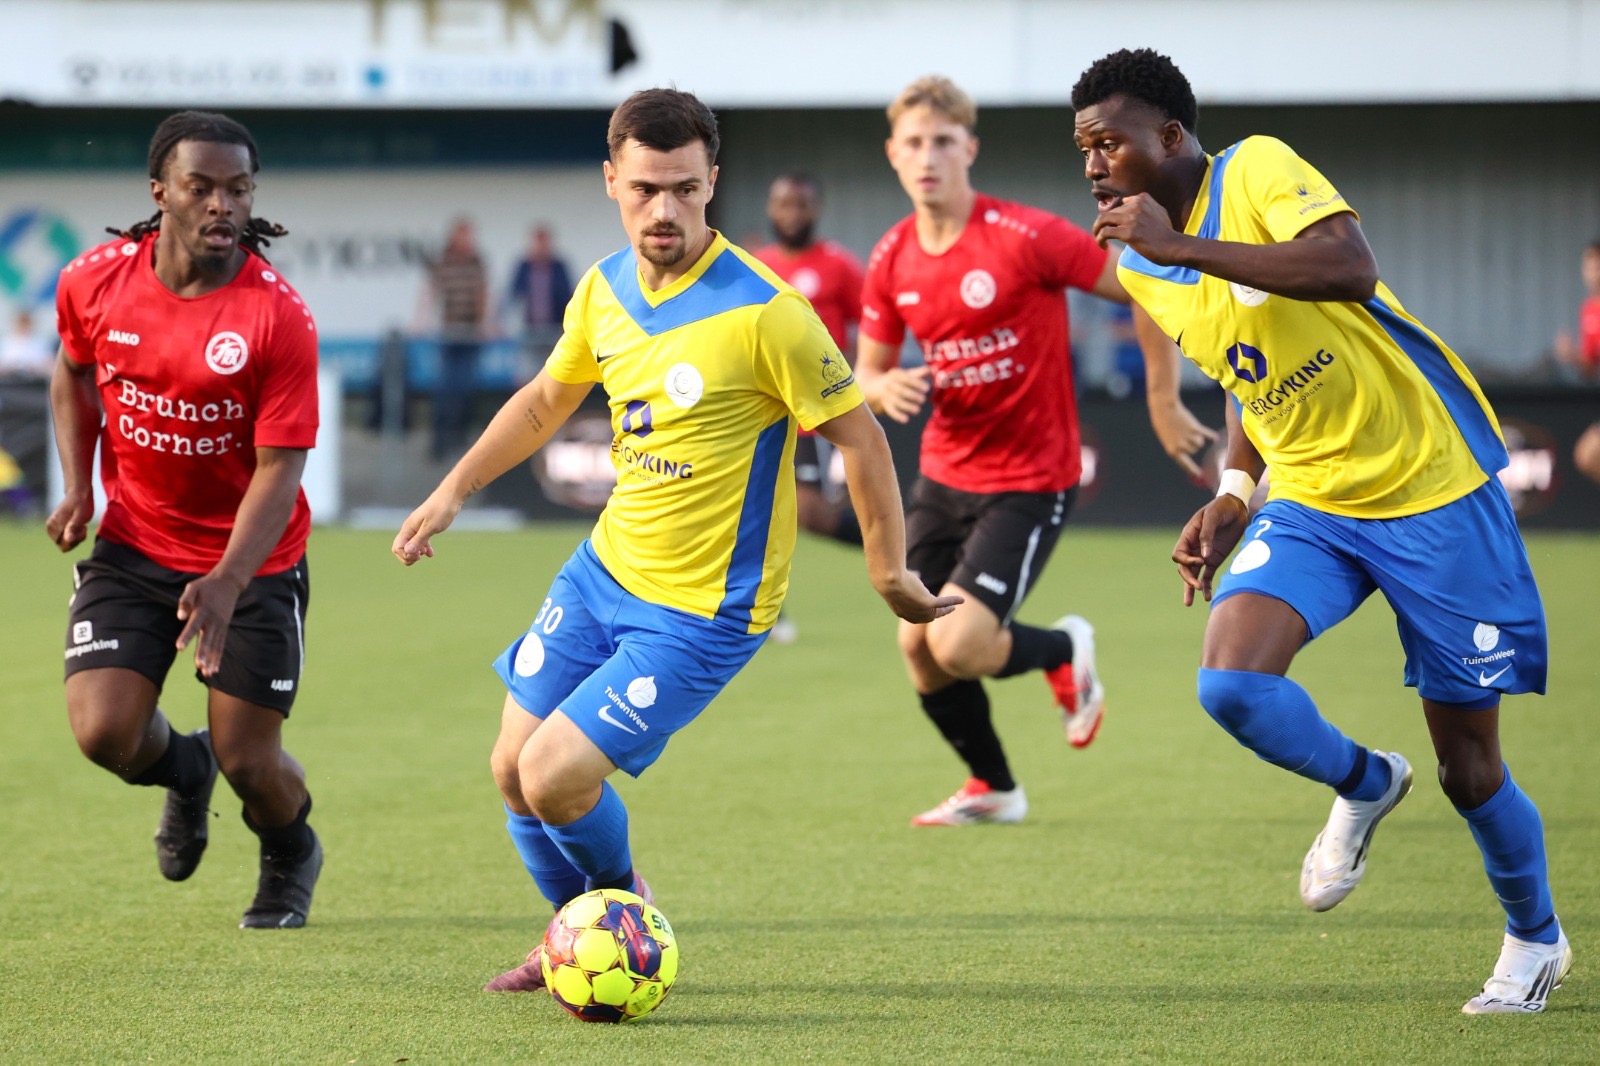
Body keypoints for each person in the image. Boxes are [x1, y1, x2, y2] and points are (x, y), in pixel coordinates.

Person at [391, 88, 958, 993]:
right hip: (603, 572)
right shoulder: (602, 289)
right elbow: (545, 401)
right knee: (510, 768)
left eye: (686, 190)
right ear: (611, 180)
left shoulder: (766, 312)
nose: (665, 210)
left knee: (553, 777)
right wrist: (454, 488)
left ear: (712, 184)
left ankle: (624, 916)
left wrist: (887, 570)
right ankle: (574, 935)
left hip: (704, 609)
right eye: (646, 188)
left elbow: (860, 439)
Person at [1072, 48, 1570, 1014]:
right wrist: (1235, 491)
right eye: (1083, 150)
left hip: (1431, 487)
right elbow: (1246, 369)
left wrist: (1185, 247)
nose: (1094, 165)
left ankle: (1535, 937)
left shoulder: (1256, 168)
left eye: (1109, 144)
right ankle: (1366, 781)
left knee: (1469, 769)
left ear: (1168, 138)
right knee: (1231, 684)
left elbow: (1349, 268)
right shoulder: (1141, 266)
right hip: (1311, 498)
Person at [855, 75, 1213, 827]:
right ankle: (995, 788)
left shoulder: (1024, 235)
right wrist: (883, 388)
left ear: (969, 148)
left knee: (957, 646)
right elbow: (868, 372)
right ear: (893, 154)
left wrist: (1162, 399)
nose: (928, 156)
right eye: (914, 143)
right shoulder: (891, 258)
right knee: (916, 643)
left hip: (1030, 477)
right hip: (943, 476)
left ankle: (1060, 649)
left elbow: (1144, 283)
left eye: (943, 141)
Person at [47, 110, 322, 929]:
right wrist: (79, 487)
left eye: (238, 189)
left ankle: (290, 853)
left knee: (252, 762)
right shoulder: (93, 281)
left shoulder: (277, 316)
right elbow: (72, 374)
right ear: (159, 191)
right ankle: (184, 770)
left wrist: (228, 580)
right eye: (200, 187)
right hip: (135, 544)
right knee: (104, 733)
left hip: (253, 563)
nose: (221, 204)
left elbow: (280, 468)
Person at [753, 174, 868, 553]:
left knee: (812, 512)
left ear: (815, 210)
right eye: (784, 204)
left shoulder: (838, 265)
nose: (792, 214)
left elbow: (873, 324)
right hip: (766, 408)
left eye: (801, 205)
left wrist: (854, 374)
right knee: (760, 510)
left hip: (815, 409)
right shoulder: (758, 266)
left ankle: (904, 550)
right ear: (771, 208)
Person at [420, 217, 490, 460]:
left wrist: (484, 324)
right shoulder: (445, 261)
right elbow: (430, 291)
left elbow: (482, 294)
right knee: (445, 390)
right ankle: (440, 443)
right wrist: (421, 322)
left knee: (466, 390)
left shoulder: (476, 262)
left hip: (470, 335)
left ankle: (461, 442)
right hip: (450, 334)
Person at [502, 225, 574, 382]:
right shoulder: (524, 267)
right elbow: (512, 296)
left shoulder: (559, 268)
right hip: (530, 331)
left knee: (554, 376)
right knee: (527, 375)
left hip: (554, 330)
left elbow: (570, 296)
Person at [1553, 239, 1600, 381]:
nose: (1594, 275)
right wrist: (1572, 356)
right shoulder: (1588, 310)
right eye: (1589, 268)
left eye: (1597, 268)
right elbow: (1591, 371)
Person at [0, 308, 56, 379]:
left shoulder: (41, 343)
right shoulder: (6, 342)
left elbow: (50, 367)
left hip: (35, 381)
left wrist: (33, 368)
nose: (23, 326)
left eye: (26, 322)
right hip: (9, 382)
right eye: (21, 322)